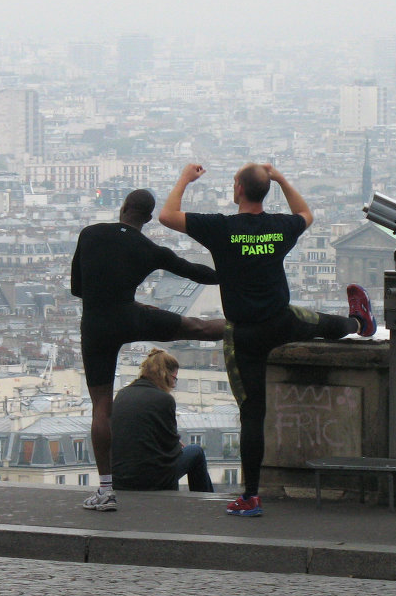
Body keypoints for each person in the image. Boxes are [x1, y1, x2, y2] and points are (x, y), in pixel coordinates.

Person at [158, 162, 375, 517]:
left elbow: (167, 215)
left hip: (244, 333)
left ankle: (251, 496)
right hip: (280, 319)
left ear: (239, 189)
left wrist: (184, 177)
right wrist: (282, 179)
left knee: (252, 415)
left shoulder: (222, 228)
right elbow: (306, 213)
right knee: (318, 321)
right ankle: (358, 322)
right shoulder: (279, 227)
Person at [71, 188, 225, 511]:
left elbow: (77, 288)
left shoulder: (89, 235)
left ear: (124, 206)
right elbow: (192, 271)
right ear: (149, 218)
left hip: (96, 325)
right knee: (193, 326)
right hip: (130, 316)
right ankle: (244, 328)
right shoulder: (149, 249)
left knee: (101, 407)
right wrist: (232, 276)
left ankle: (106, 491)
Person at [111, 348, 214, 493]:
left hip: (120, 479)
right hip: (152, 480)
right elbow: (170, 446)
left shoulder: (122, 395)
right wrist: (177, 445)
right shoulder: (164, 399)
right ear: (165, 375)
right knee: (196, 452)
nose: (173, 384)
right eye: (174, 378)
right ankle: (205, 501)